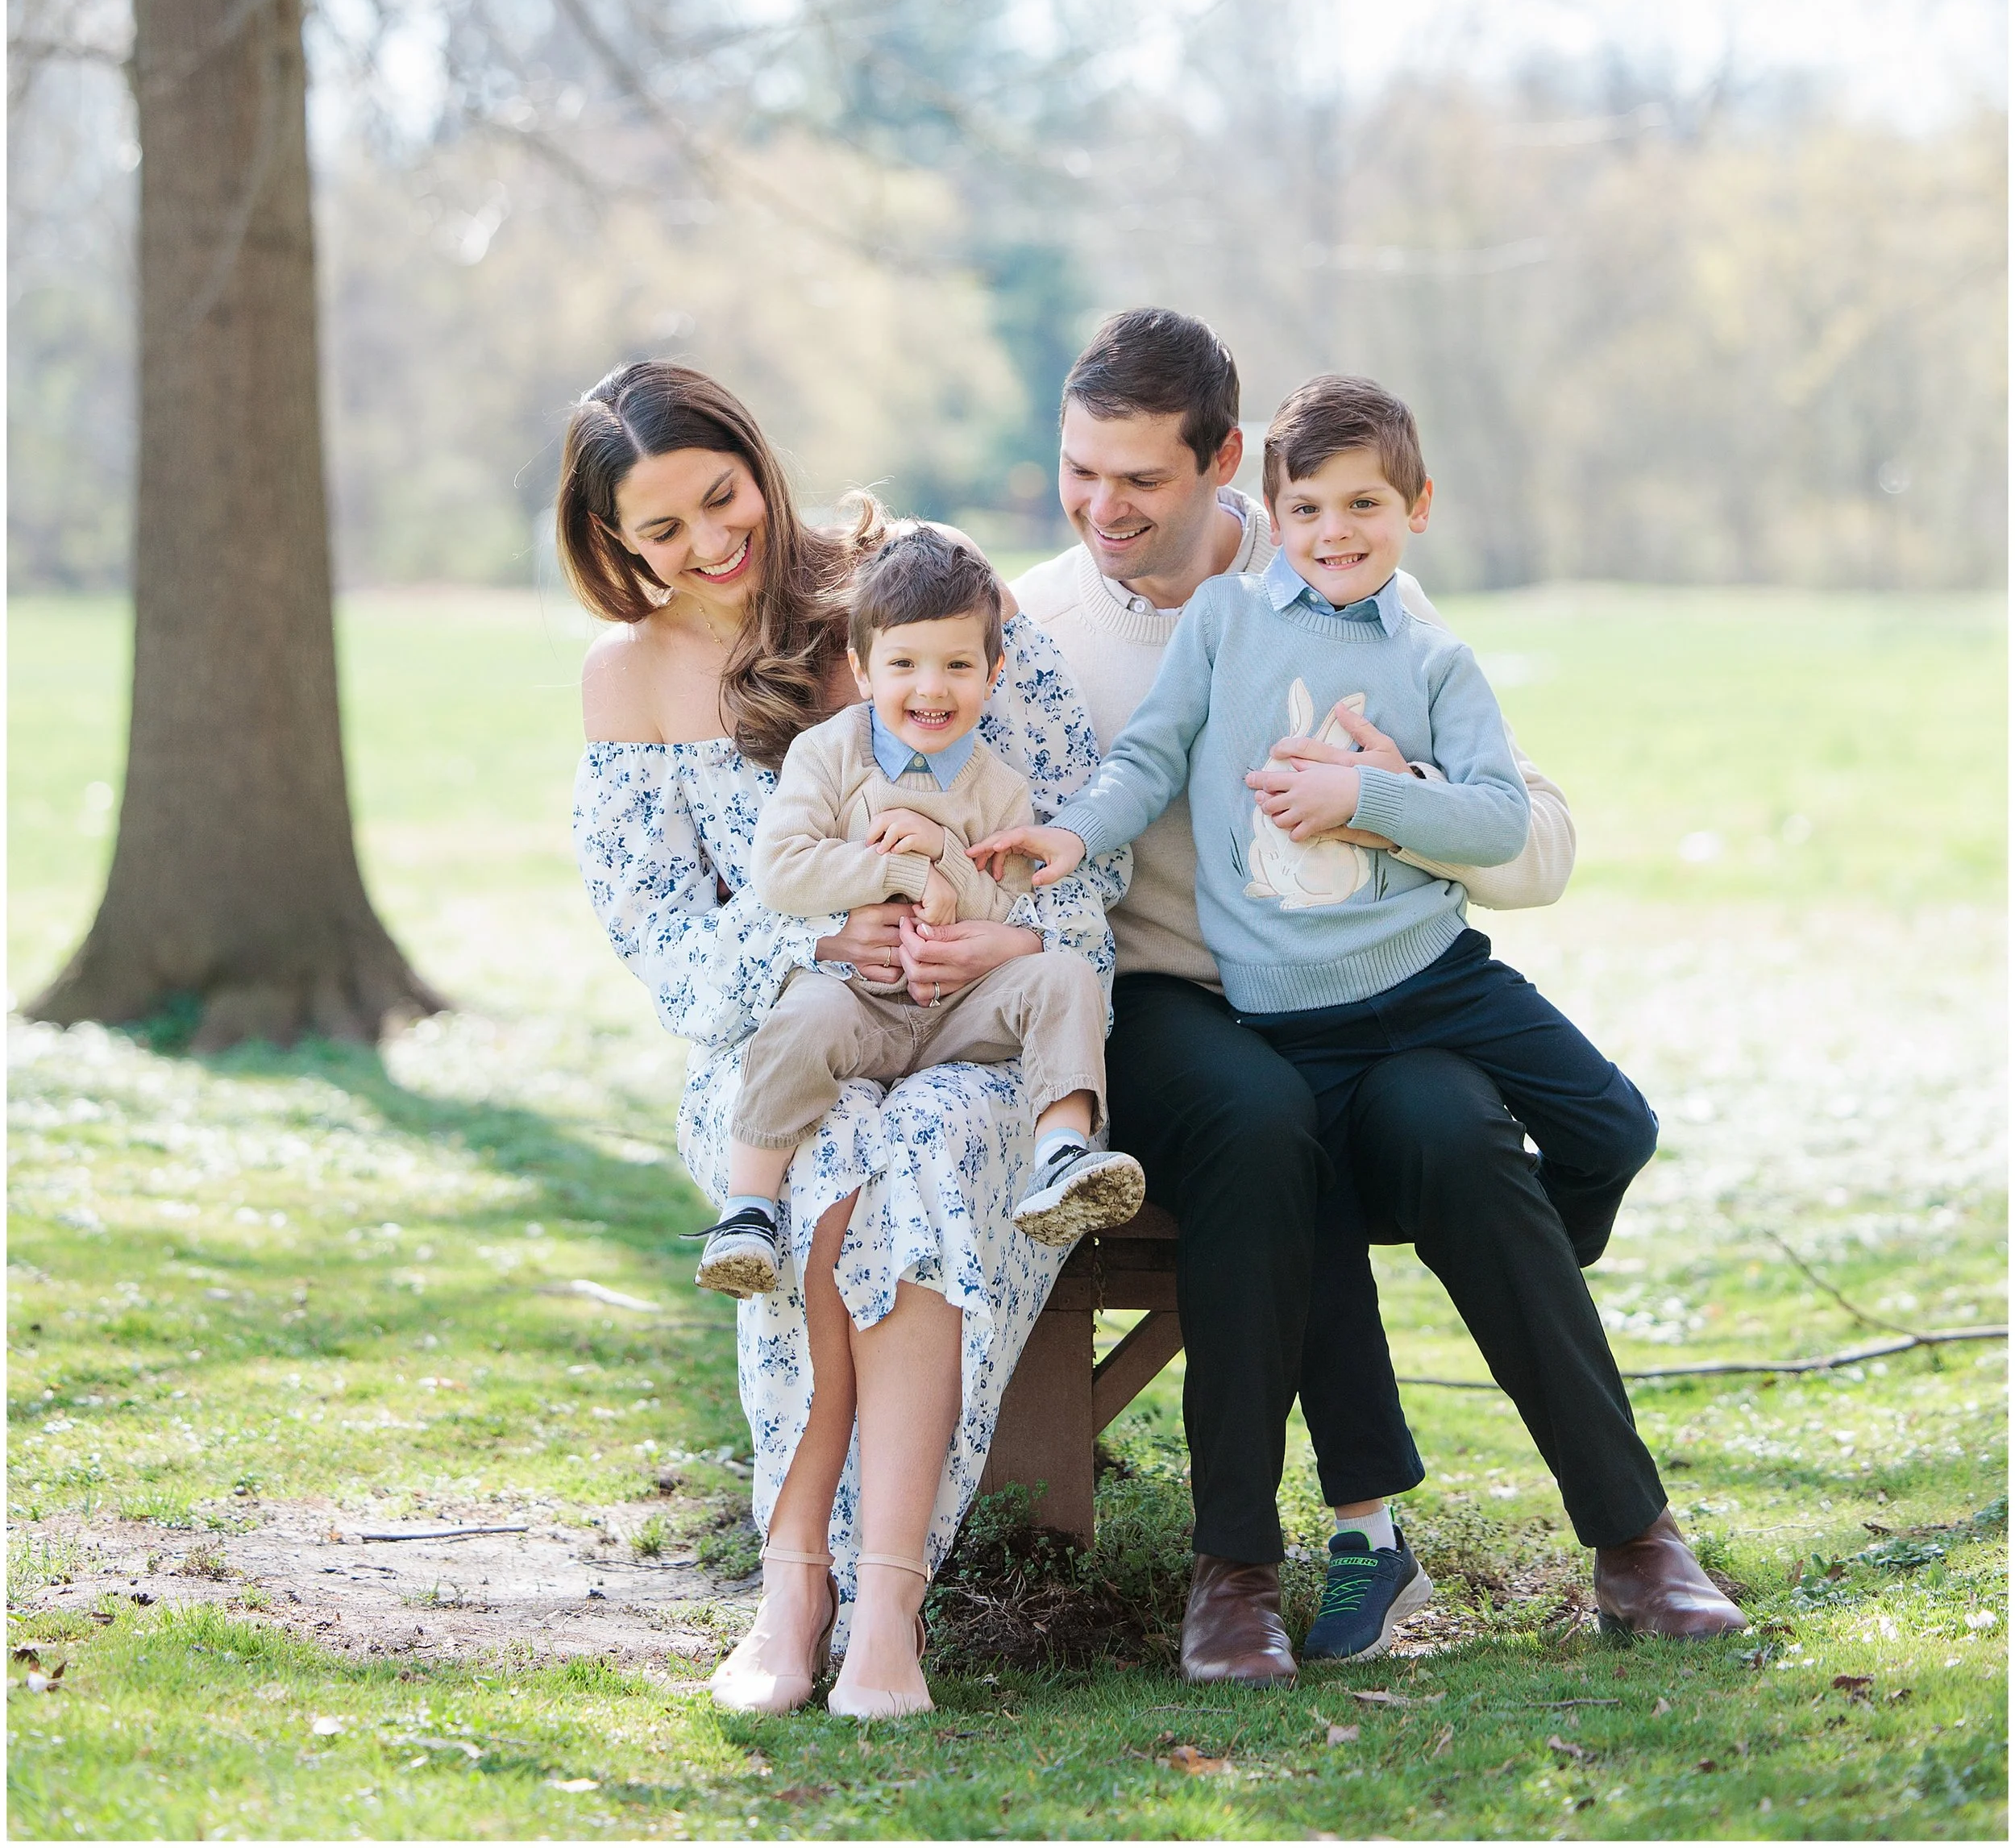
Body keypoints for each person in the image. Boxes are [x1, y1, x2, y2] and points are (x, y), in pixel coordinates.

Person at [1015, 308, 1744, 1680]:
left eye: (1143, 478)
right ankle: (1234, 1570)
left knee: (1461, 1134)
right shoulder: (1038, 626)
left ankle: (1634, 1536)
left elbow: (1533, 840)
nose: (1105, 506)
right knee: (1258, 1122)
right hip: (1173, 1001)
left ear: (1223, 464)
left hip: (1371, 987)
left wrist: (1382, 800)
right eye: (1080, 471)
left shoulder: (1356, 582)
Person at [562, 362, 1116, 1721]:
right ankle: (792, 1581)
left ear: (757, 458)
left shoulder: (918, 586)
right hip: (774, 1052)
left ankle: (883, 1608)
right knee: (832, 1162)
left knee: (928, 1139)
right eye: (662, 530)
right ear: (617, 549)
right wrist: (816, 942)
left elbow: (1075, 856)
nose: (708, 541)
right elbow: (670, 957)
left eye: (719, 495)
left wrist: (1011, 943)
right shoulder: (627, 683)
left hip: (980, 1036)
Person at [696, 525, 1145, 1297]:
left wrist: (949, 873)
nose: (931, 689)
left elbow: (1000, 898)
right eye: (904, 664)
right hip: (860, 1002)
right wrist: (904, 866)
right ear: (862, 670)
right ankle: (747, 1211)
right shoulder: (830, 754)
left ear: (993, 672)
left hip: (959, 1009)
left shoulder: (997, 784)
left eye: (958, 666)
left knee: (1064, 976)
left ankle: (1064, 1154)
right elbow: (779, 870)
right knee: (798, 1017)